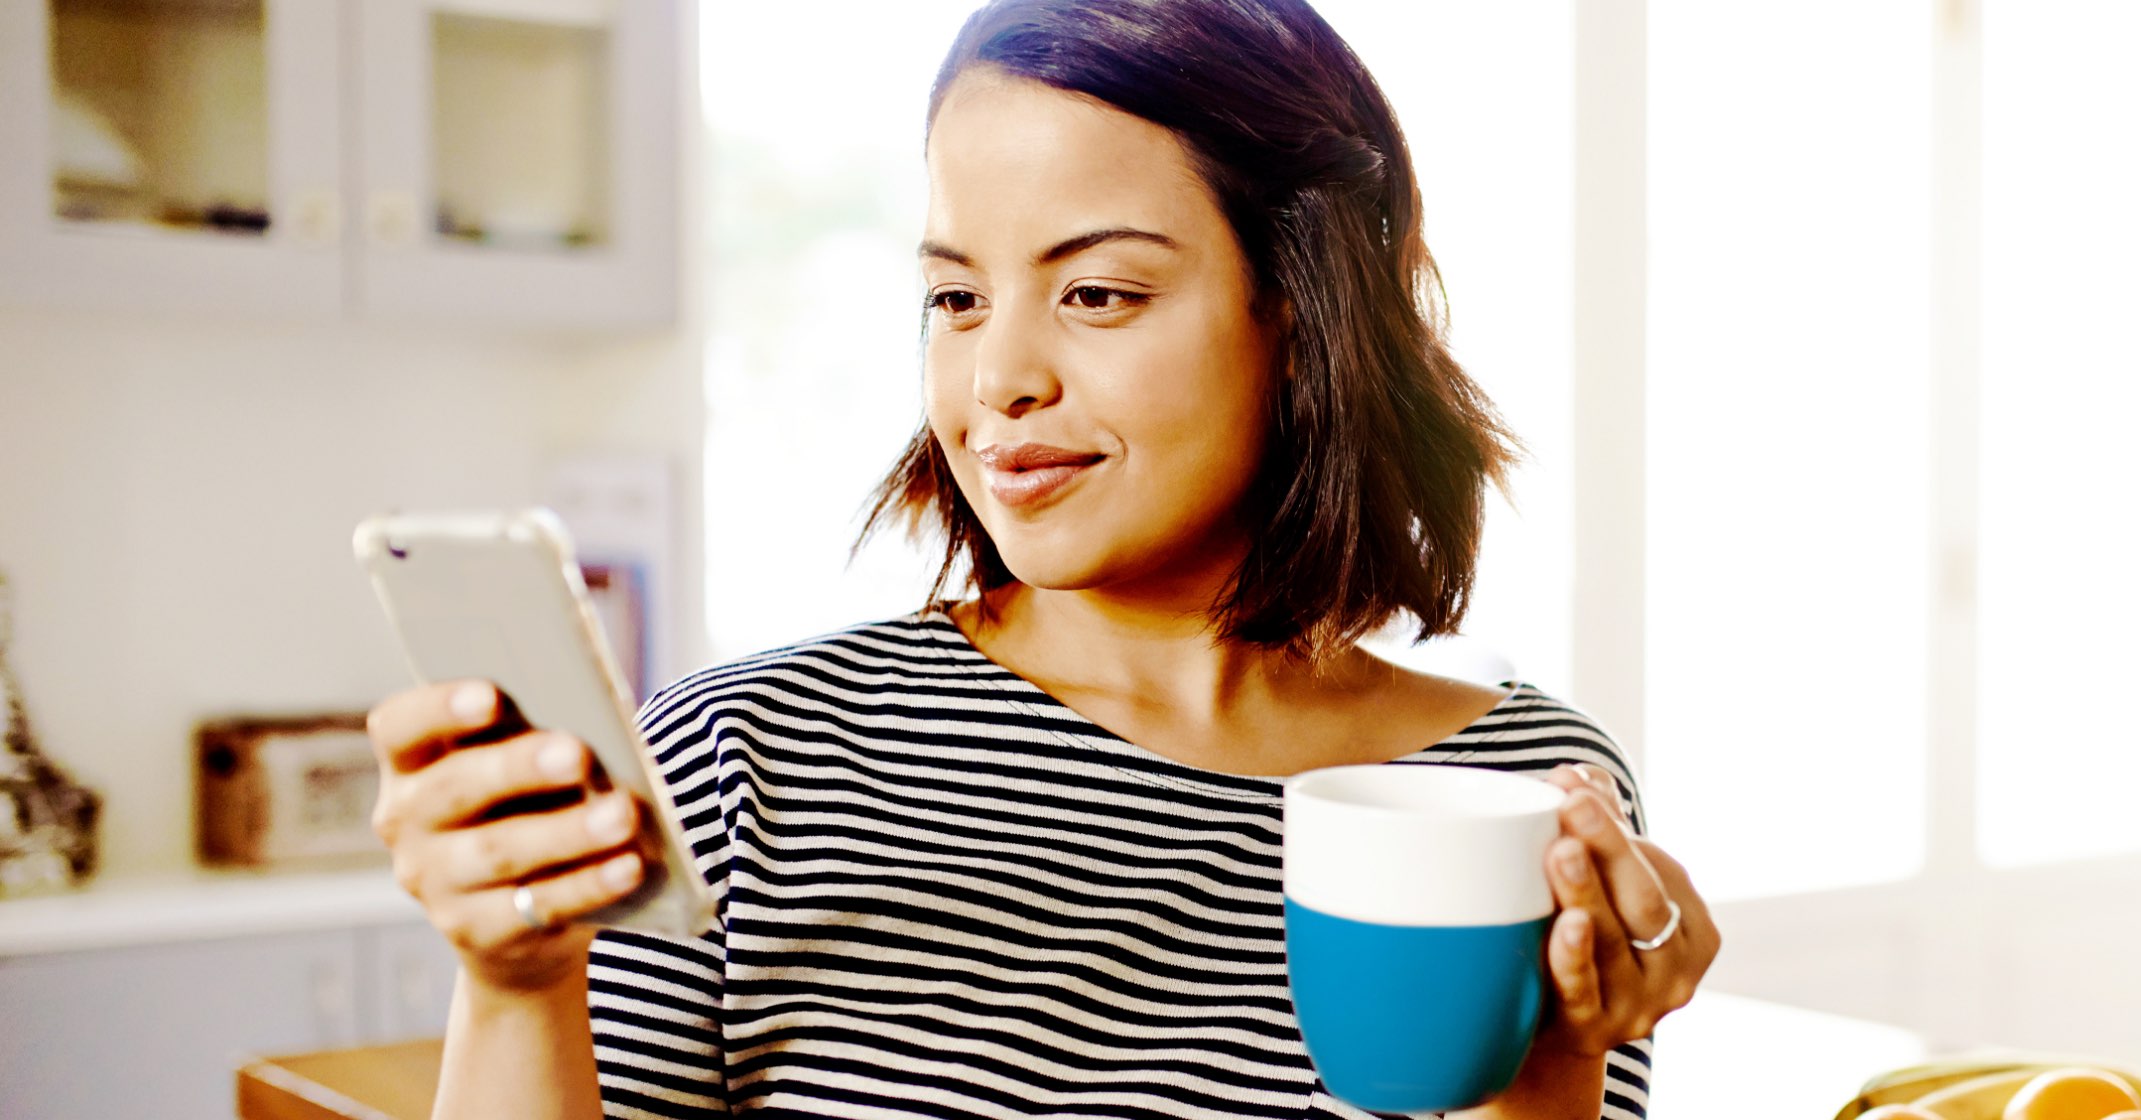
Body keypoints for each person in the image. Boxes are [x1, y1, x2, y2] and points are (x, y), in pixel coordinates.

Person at [361, 1, 1720, 1116]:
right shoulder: (739, 760)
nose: (996, 374)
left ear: (1303, 311)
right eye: (955, 297)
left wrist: (1553, 1065)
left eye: (1098, 294)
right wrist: (516, 987)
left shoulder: (1517, 796)